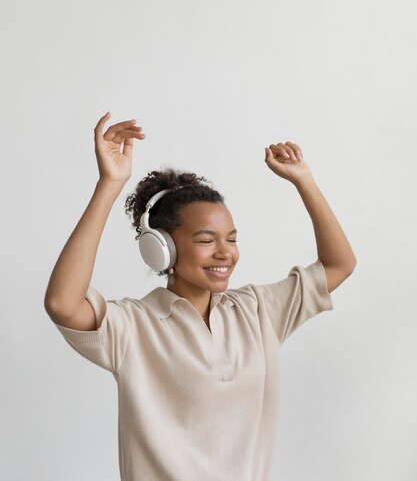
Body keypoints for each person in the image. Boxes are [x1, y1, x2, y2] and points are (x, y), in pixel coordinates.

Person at [44, 112, 357, 481]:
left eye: (232, 239)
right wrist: (109, 185)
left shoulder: (257, 311)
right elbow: (62, 303)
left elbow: (339, 265)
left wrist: (305, 182)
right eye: (207, 241)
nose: (225, 253)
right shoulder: (133, 326)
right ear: (162, 250)